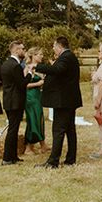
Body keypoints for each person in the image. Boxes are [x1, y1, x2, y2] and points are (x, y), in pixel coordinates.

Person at [35, 36, 83, 168]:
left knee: (58, 130)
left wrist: (37, 66)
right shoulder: (68, 57)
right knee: (69, 129)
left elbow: (56, 70)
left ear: (59, 46)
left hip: (63, 101)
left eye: (54, 46)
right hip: (67, 100)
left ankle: (53, 161)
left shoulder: (66, 57)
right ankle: (70, 159)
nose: (53, 48)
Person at [1, 41, 31, 165]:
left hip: (8, 100)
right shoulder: (15, 66)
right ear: (16, 50)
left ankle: (13, 156)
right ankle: (7, 158)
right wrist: (29, 73)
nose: (24, 51)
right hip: (15, 102)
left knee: (13, 128)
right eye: (22, 49)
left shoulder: (5, 64)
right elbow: (22, 84)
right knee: (13, 130)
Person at [24, 47, 48, 155]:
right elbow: (25, 85)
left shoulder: (40, 68)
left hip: (38, 96)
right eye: (40, 54)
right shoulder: (27, 68)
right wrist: (38, 84)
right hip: (30, 97)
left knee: (39, 118)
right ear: (33, 55)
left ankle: (43, 144)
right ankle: (28, 147)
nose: (42, 56)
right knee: (33, 120)